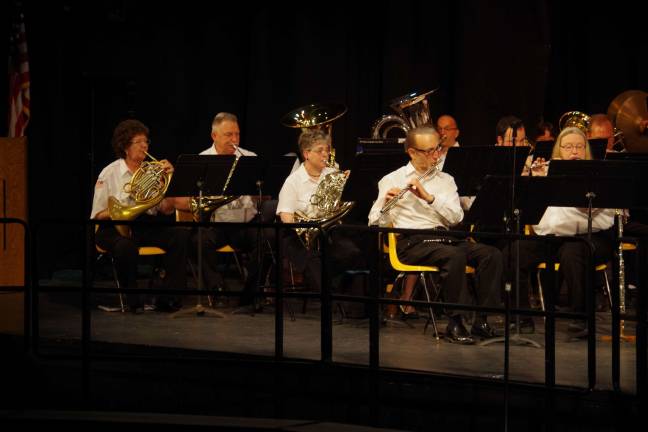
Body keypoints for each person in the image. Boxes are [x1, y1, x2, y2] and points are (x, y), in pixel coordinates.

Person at [368, 126, 503, 344]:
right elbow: (374, 221)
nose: (437, 155)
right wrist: (385, 205)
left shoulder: (446, 180)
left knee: (491, 254)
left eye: (438, 149)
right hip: (412, 242)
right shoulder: (392, 179)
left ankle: (482, 320)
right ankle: (455, 322)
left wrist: (429, 198)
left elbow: (456, 217)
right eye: (429, 151)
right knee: (454, 256)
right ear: (412, 152)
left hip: (445, 239)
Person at [502, 127, 615, 336]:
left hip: (592, 237)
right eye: (568, 147)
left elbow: (587, 210)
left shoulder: (596, 172)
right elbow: (537, 218)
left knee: (573, 253)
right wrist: (537, 184)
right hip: (553, 238)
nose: (574, 151)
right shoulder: (547, 171)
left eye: (579, 147)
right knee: (514, 251)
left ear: (586, 150)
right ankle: (520, 316)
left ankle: (581, 318)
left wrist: (565, 211)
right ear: (559, 150)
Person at [91, 119, 190, 313]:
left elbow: (166, 209)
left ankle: (167, 298)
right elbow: (97, 214)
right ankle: (133, 300)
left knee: (180, 235)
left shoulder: (153, 172)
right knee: (125, 246)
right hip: (112, 226)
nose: (144, 146)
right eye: (138, 142)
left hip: (144, 224)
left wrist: (172, 181)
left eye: (146, 142)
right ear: (125, 147)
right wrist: (123, 207)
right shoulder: (109, 173)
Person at [176, 112, 260, 306]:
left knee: (268, 240)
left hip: (245, 223)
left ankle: (250, 294)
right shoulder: (201, 160)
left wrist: (258, 192)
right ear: (214, 136)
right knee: (198, 242)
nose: (234, 140)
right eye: (229, 135)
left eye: (237, 134)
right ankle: (217, 290)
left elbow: (264, 197)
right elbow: (180, 201)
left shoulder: (249, 158)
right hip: (215, 224)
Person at [276, 130, 365, 297]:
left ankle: (353, 301)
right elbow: (286, 215)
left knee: (353, 252)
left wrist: (348, 185)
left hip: (329, 231)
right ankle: (330, 300)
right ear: (306, 153)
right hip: (301, 236)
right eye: (320, 150)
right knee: (313, 259)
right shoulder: (293, 181)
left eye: (327, 150)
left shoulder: (333, 175)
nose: (325, 154)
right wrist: (303, 230)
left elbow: (340, 206)